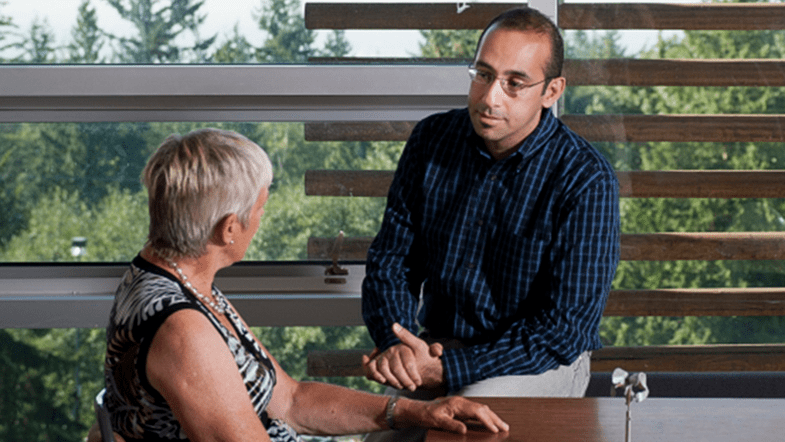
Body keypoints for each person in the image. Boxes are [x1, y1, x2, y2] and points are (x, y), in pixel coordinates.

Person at [87, 128, 508, 442]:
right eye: (261, 208)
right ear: (229, 229)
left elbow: (290, 400)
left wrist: (419, 412)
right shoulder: (183, 332)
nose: (262, 218)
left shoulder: (181, 281)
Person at [361, 5, 620, 428]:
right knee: (383, 433)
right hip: (437, 349)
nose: (490, 97)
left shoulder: (585, 179)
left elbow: (564, 329)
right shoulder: (431, 141)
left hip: (534, 361)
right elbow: (392, 262)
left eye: (514, 83)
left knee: (463, 427)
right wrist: (399, 345)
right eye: (483, 75)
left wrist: (447, 370)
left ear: (551, 91)